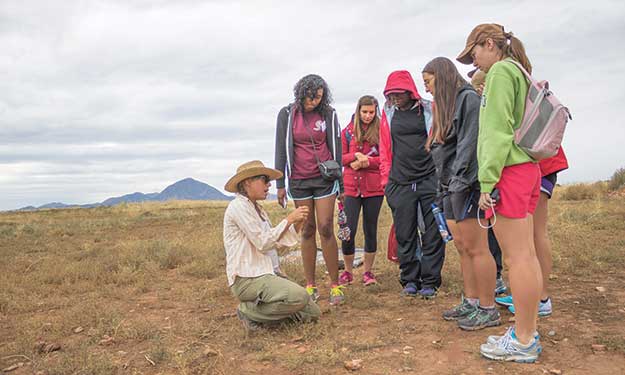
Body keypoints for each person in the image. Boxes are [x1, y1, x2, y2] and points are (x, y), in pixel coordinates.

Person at [457, 23, 544, 362]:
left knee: (516, 258)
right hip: (527, 169)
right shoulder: (519, 70)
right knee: (528, 255)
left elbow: (495, 132)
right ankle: (527, 331)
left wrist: (486, 183)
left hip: (509, 171)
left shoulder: (500, 73)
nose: (474, 62)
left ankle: (523, 340)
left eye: (474, 53)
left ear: (489, 44)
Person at [422, 57, 501, 330]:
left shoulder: (468, 100)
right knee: (463, 247)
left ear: (442, 78)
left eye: (429, 82)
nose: (427, 89)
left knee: (478, 248)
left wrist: (460, 183)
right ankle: (471, 301)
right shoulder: (445, 106)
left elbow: (469, 144)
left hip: (466, 184)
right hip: (449, 186)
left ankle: (488, 308)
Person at [223, 160, 321, 334]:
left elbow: (275, 245)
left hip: (265, 273)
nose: (269, 185)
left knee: (313, 312)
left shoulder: (257, 209)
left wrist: (296, 225)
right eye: (264, 179)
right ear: (247, 182)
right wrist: (289, 219)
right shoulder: (238, 207)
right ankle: (248, 311)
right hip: (248, 277)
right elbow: (263, 242)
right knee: (300, 297)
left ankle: (263, 314)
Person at [274, 74, 345, 305]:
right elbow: (280, 149)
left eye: (320, 96)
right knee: (306, 230)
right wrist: (281, 184)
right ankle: (310, 285)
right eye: (313, 95)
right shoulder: (287, 115)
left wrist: (341, 183)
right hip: (299, 180)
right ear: (303, 92)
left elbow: (336, 146)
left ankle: (335, 285)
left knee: (325, 227)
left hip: (324, 178)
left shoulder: (329, 114)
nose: (316, 100)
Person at [379, 70, 445, 299]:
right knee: (405, 233)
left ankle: (430, 281)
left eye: (399, 93)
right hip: (399, 181)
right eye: (391, 94)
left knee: (432, 232)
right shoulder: (387, 113)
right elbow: (384, 148)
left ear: (410, 92)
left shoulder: (429, 109)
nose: (395, 98)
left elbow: (441, 140)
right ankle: (409, 280)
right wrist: (386, 182)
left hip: (428, 178)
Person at [496, 148, 569, 316]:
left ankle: (542, 298)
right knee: (527, 234)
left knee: (537, 232)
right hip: (531, 162)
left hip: (539, 164)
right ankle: (527, 295)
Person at [339, 95, 384, 286]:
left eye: (371, 112)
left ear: (376, 111)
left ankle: (368, 272)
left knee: (370, 229)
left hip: (373, 189)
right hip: (350, 189)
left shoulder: (383, 131)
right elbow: (339, 158)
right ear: (358, 111)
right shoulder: (347, 132)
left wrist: (367, 162)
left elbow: (386, 159)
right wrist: (354, 157)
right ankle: (348, 272)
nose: (367, 116)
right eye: (364, 112)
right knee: (348, 230)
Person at [470, 68, 507, 296]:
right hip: (488, 176)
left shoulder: (492, 106)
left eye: (477, 89)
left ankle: (496, 278)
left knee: (498, 237)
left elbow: (492, 141)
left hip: (494, 179)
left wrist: (486, 184)